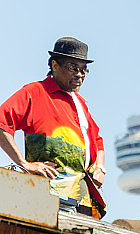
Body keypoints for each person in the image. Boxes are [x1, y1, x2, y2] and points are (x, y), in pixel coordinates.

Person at [0, 37, 106, 218]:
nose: (80, 74)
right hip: (49, 196)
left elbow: (98, 141)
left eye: (83, 69)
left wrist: (100, 168)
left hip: (83, 200)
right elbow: (2, 123)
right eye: (73, 67)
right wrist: (24, 164)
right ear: (55, 65)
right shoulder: (35, 92)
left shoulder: (80, 104)